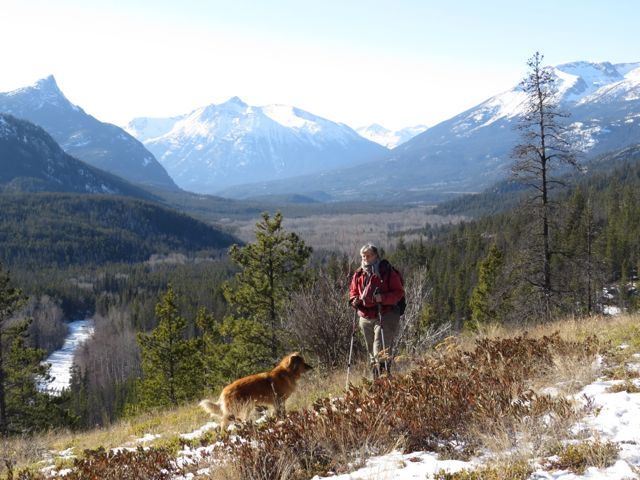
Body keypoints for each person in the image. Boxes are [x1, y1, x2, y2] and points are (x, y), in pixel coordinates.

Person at [349, 244, 404, 377]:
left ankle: (381, 382)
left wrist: (382, 298)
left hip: (385, 314)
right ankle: (380, 383)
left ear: (376, 256)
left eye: (368, 255)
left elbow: (399, 293)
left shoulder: (387, 271)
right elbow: (353, 292)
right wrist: (353, 300)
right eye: (363, 256)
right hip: (365, 316)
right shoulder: (359, 274)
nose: (365, 258)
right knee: (372, 353)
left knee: (379, 350)